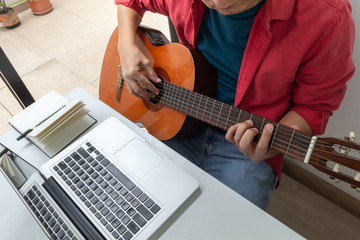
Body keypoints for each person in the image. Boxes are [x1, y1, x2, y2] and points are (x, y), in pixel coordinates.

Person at [114, 0, 355, 210]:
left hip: (246, 146)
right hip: (176, 120)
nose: (218, 3)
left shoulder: (327, 15)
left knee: (231, 225)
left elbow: (315, 105)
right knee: (126, 203)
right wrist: (126, 46)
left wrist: (272, 146)